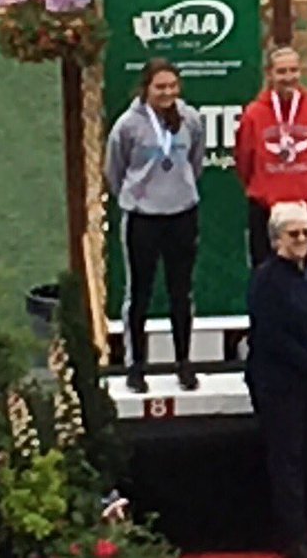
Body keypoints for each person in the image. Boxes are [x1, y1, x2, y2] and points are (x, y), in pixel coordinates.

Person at [246, 202, 307, 558]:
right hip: (279, 383)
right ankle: (293, 537)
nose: (302, 239)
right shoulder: (266, 280)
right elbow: (271, 335)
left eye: (306, 232)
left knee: (306, 455)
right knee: (286, 459)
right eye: (294, 234)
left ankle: (305, 527)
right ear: (276, 239)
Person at [105, 58, 206, 394]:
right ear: (146, 89)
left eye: (172, 86)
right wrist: (137, 198)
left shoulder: (190, 119)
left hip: (182, 214)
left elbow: (196, 162)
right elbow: (114, 170)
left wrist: (180, 190)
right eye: (160, 87)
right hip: (142, 218)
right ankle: (136, 367)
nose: (167, 93)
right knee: (140, 293)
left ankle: (184, 362)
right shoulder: (127, 125)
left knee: (181, 291)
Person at [236, 46, 307, 267]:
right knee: (265, 271)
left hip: (304, 204)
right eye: (281, 71)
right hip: (266, 206)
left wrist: (306, 186)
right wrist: (263, 188)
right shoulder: (254, 114)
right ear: (269, 74)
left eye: (293, 70)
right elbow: (244, 160)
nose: (288, 77)